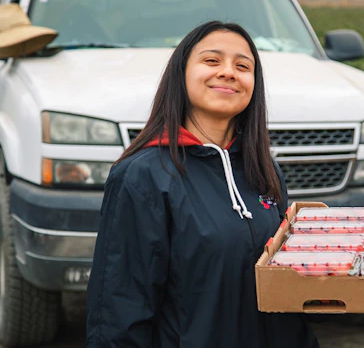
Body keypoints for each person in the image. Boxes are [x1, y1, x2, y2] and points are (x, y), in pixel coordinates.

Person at [86, 20, 320, 348]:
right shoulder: (142, 177)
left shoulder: (264, 171)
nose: (228, 72)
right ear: (180, 74)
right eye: (211, 61)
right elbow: (118, 309)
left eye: (243, 66)